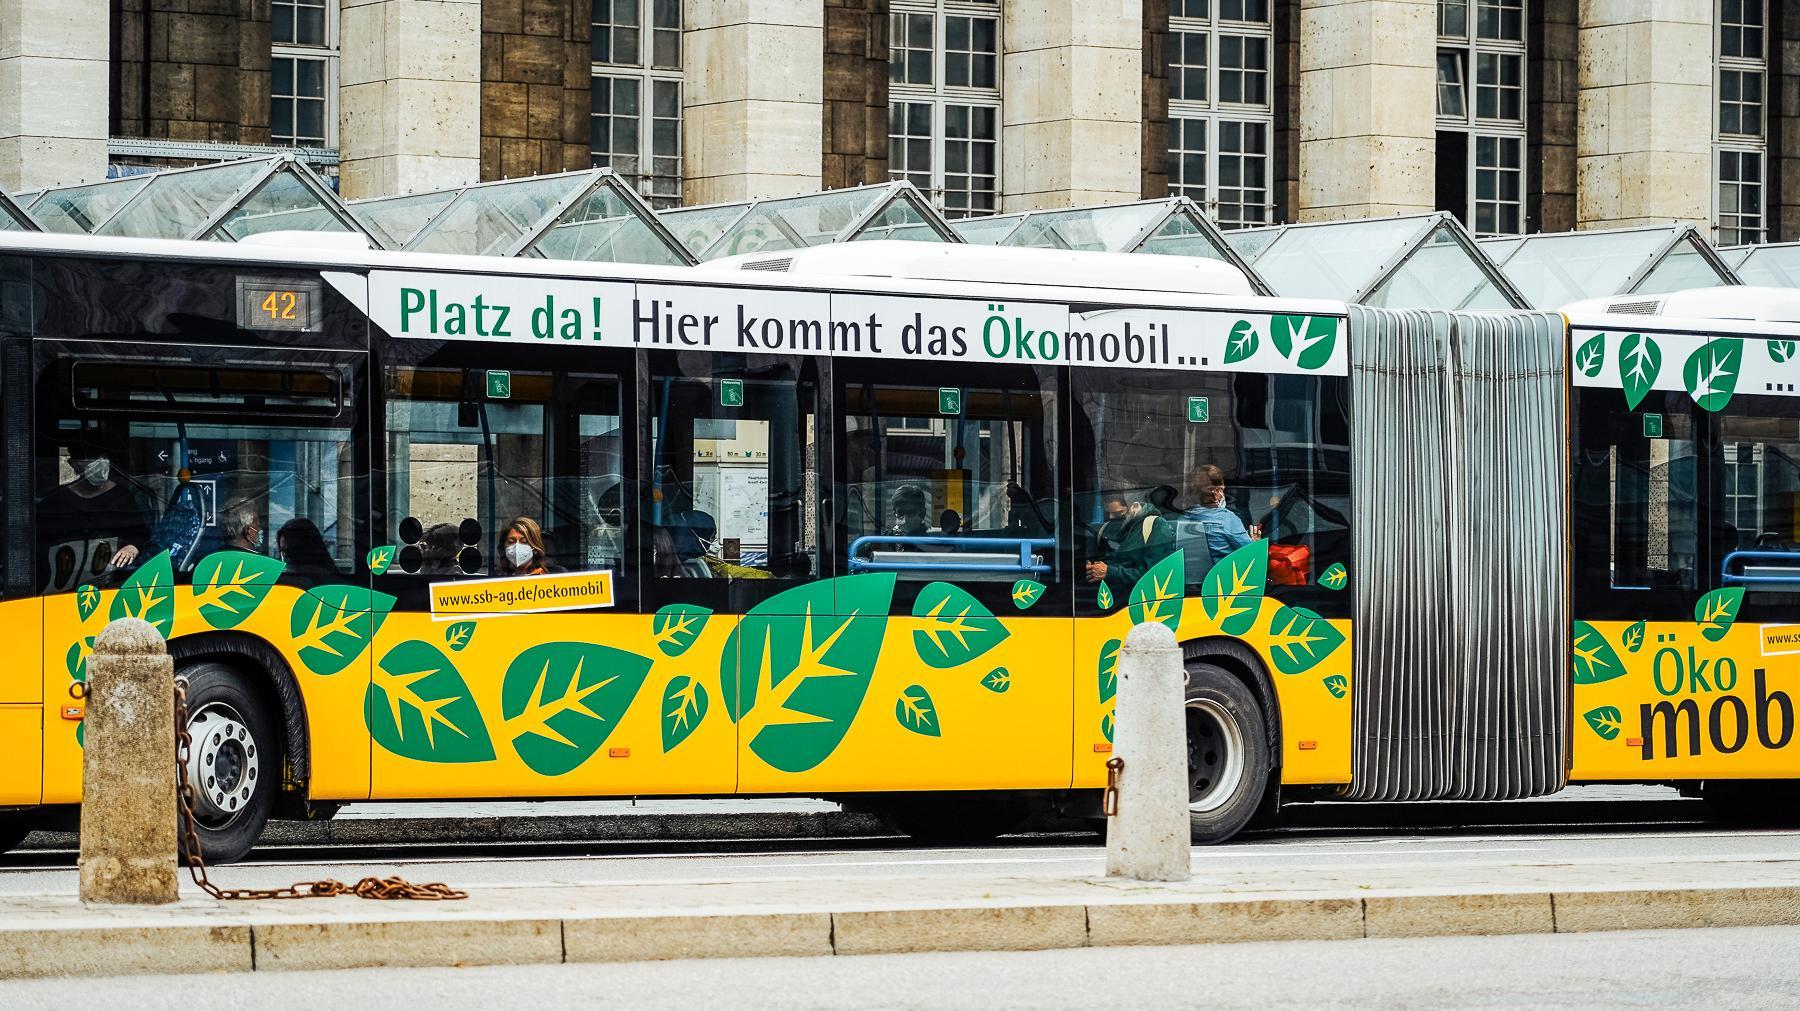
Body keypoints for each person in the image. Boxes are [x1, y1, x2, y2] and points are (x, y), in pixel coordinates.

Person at [39, 446, 153, 581]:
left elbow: (141, 532)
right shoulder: (57, 499)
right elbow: (41, 540)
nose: (98, 464)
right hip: (65, 576)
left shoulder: (122, 496)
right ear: (74, 464)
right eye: (90, 459)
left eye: (103, 458)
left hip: (110, 576)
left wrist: (132, 547)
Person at [1085, 484, 1176, 590]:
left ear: (1135, 507)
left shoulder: (1155, 526)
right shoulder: (1106, 528)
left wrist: (1111, 572)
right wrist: (1091, 568)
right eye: (1108, 513)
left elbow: (1155, 574)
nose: (1111, 518)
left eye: (1118, 513)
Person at [1185, 464, 1262, 564]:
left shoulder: (1183, 518)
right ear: (1216, 492)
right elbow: (1252, 555)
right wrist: (1255, 542)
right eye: (1222, 489)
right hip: (1221, 577)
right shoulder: (1227, 519)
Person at [275, 518, 341, 587]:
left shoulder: (331, 583)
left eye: (293, 550)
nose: (286, 556)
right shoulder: (285, 582)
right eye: (283, 550)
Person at [497, 517, 562, 577]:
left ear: (535, 547)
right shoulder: (499, 577)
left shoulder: (547, 577)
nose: (517, 547)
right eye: (511, 542)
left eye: (524, 542)